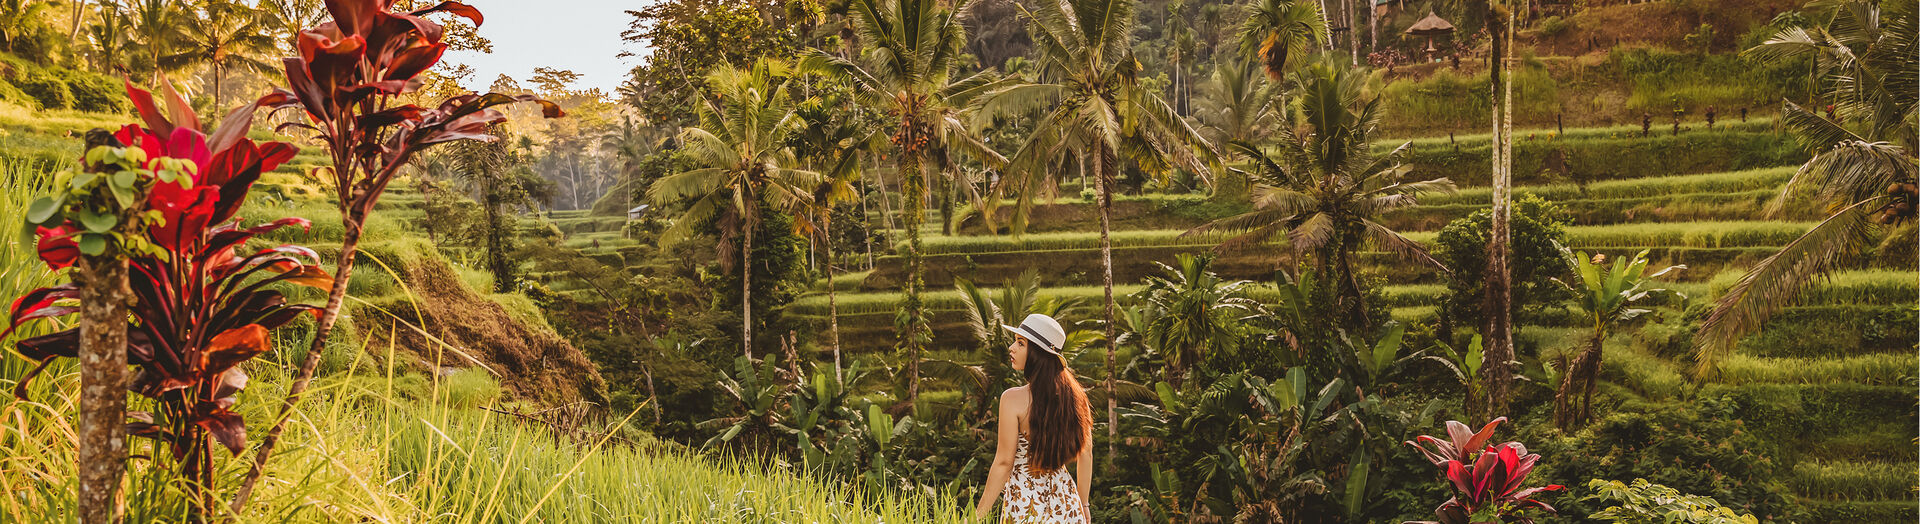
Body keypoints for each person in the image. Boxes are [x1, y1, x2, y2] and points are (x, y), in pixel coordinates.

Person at [973, 313, 1093, 523]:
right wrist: (1083, 505)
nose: (1011, 348)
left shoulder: (1012, 399)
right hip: (1066, 503)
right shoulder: (1076, 398)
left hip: (1024, 504)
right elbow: (1087, 454)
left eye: (1021, 343)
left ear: (1038, 354)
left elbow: (1003, 463)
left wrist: (976, 516)